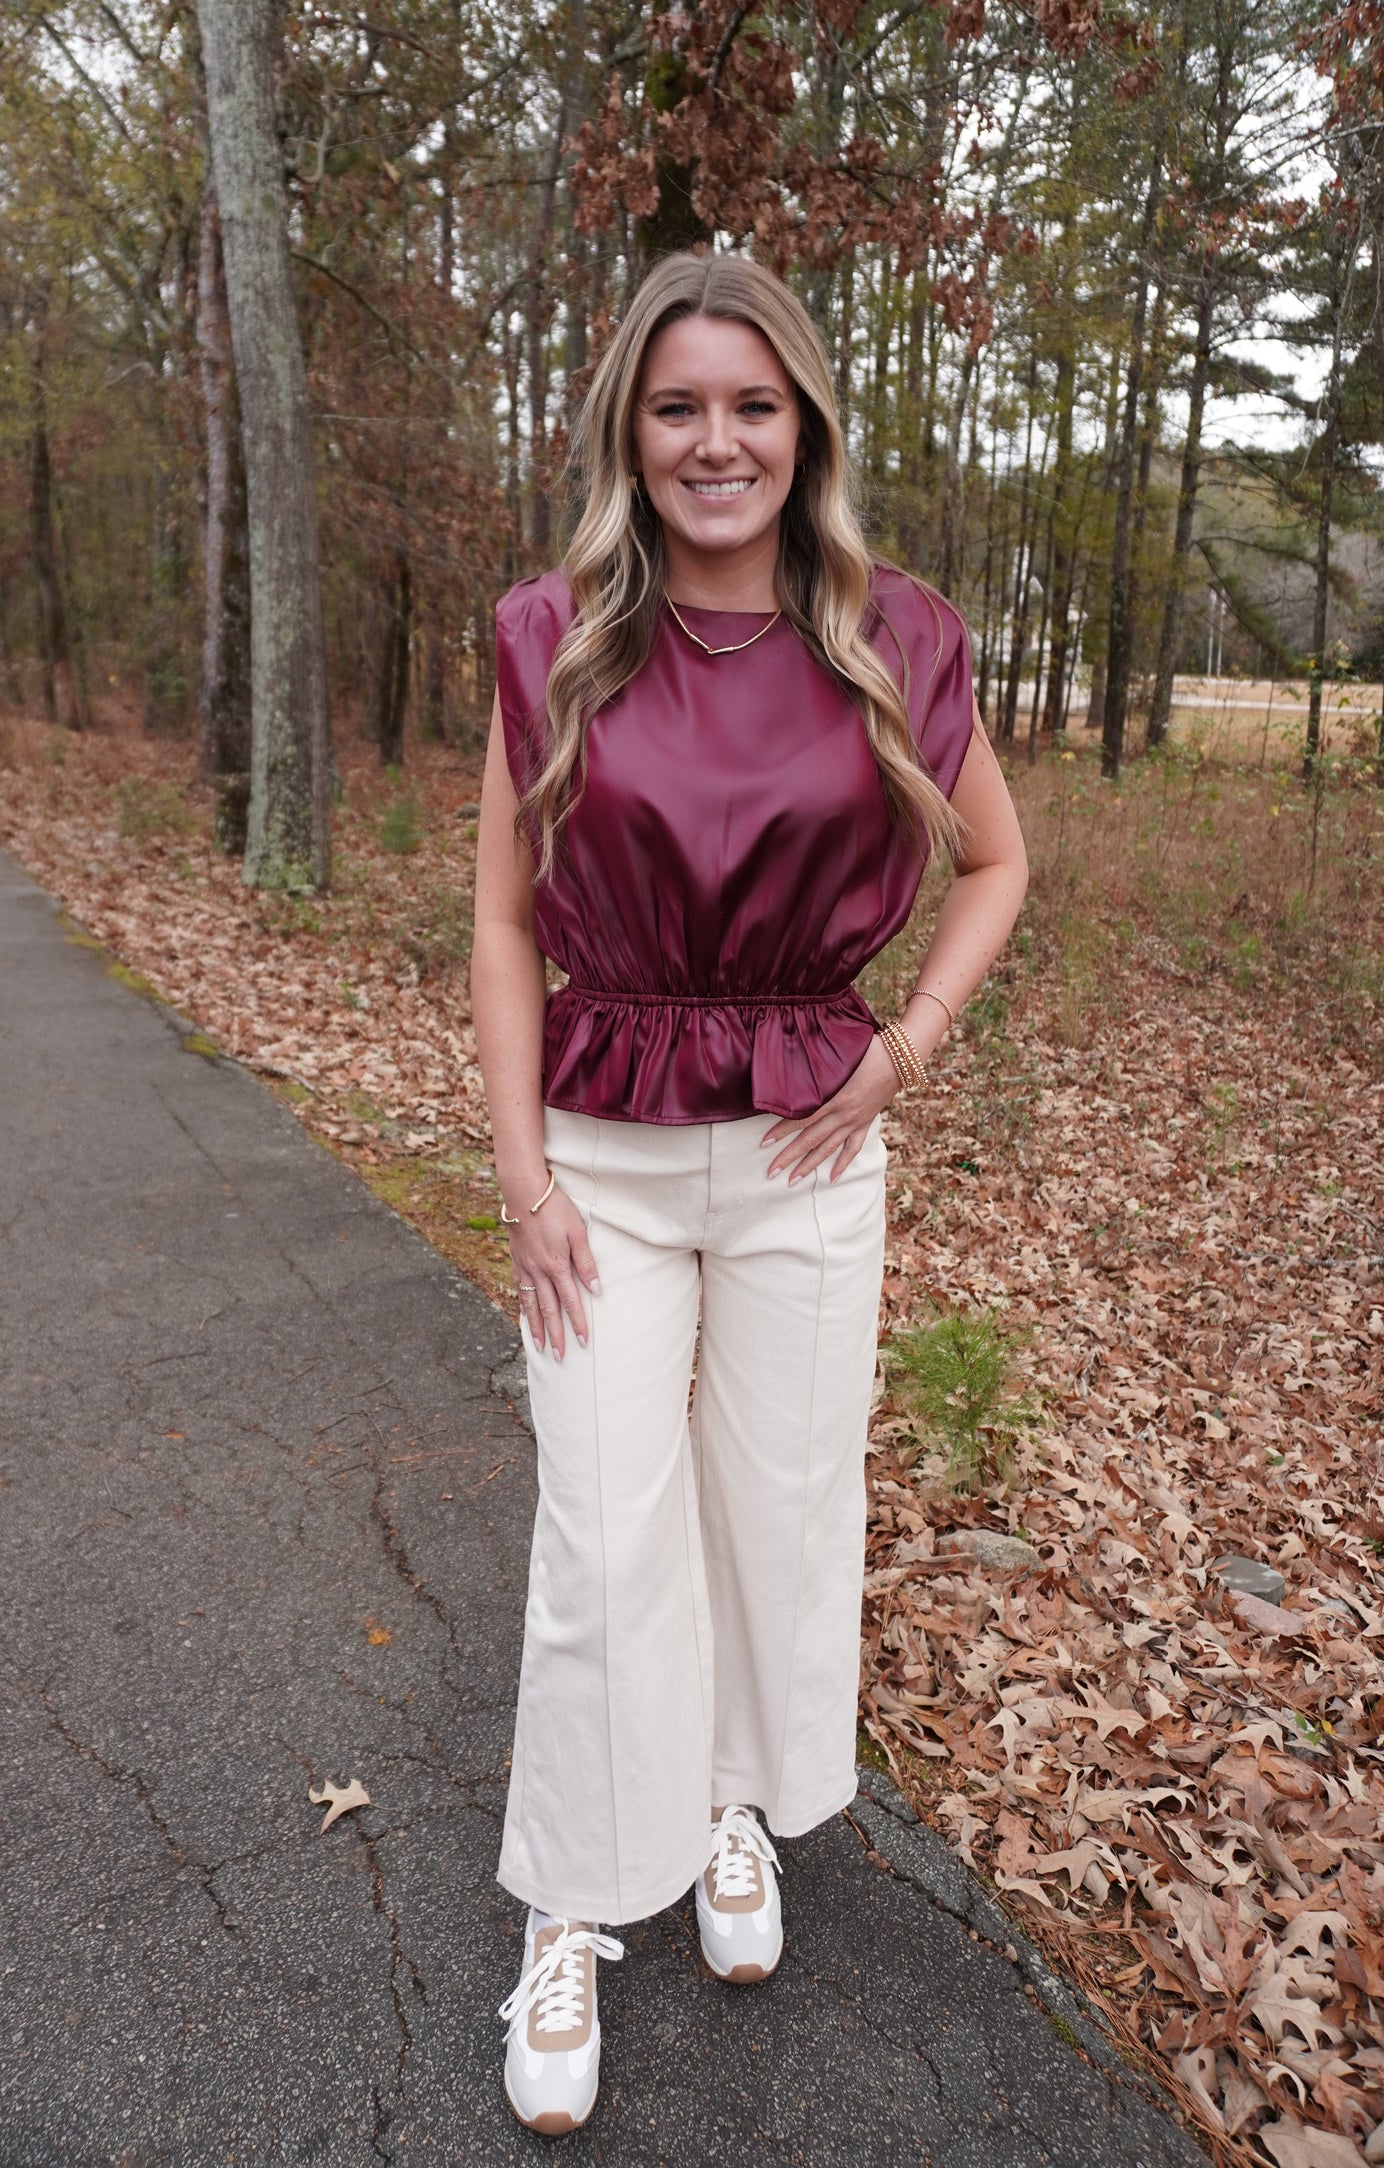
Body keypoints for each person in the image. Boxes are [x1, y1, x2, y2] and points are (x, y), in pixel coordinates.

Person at [470, 249, 1028, 2136]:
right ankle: (567, 1897)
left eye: (752, 405)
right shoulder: (553, 631)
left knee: (771, 1519)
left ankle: (720, 1803)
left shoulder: (900, 636)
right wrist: (522, 1173)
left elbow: (995, 869)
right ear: (633, 427)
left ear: (804, 425)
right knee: (600, 1540)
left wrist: (902, 1049)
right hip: (605, 1160)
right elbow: (494, 917)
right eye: (679, 405)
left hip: (807, 1152)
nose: (717, 442)